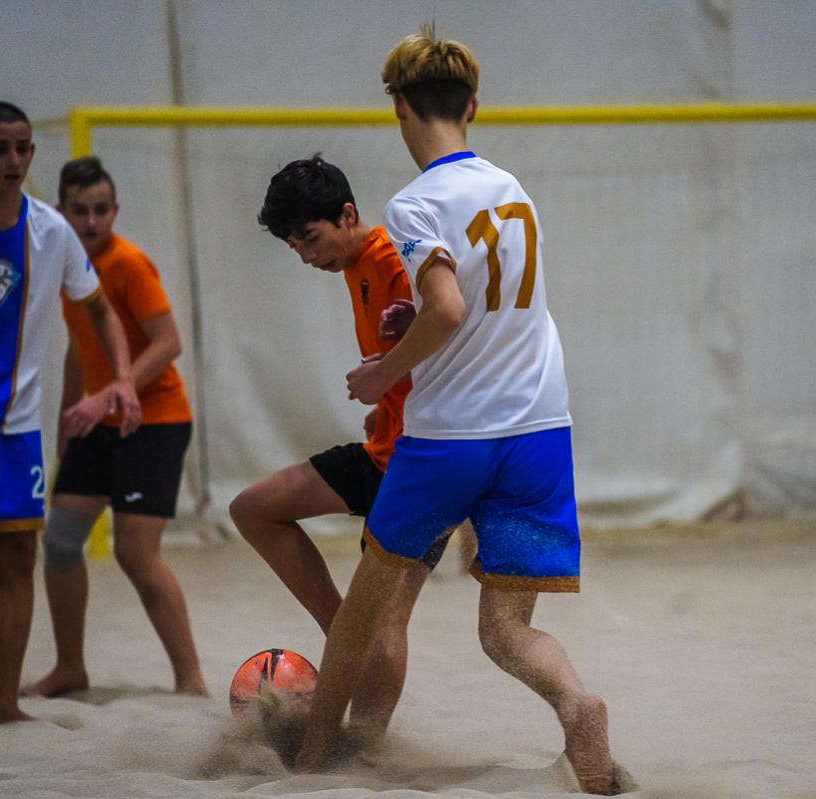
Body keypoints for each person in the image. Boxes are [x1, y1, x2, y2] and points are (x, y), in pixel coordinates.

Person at [293, 27, 628, 795]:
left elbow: (444, 308)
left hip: (452, 437)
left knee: (366, 605)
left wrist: (383, 373)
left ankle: (310, 760)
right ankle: (577, 704)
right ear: (472, 106)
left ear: (398, 108)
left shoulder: (415, 203)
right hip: (540, 430)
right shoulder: (514, 190)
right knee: (505, 630)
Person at [0, 103, 140, 725]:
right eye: (0, 148)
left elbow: (99, 308)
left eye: (22, 148)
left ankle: (2, 705)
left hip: (17, 423)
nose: (13, 160)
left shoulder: (52, 230)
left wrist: (122, 378)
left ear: (32, 153)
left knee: (17, 555)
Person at [228, 154, 447, 744]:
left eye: (310, 237)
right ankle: (343, 631)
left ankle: (366, 747)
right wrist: (390, 397)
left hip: (427, 466)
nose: (305, 255)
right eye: (293, 246)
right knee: (253, 509)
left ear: (347, 215)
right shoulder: (356, 265)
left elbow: (450, 327)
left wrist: (390, 376)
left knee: (388, 618)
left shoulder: (397, 259)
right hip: (383, 450)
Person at [22, 156, 207, 698]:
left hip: (155, 422)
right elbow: (81, 349)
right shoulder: (63, 265)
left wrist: (110, 393)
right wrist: (67, 417)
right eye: (80, 210)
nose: (91, 221)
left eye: (101, 210)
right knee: (60, 540)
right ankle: (70, 668)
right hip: (97, 422)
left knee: (135, 553)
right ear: (60, 212)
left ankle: (191, 680)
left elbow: (168, 342)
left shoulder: (128, 263)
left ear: (115, 210)